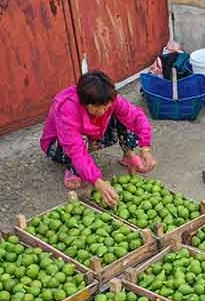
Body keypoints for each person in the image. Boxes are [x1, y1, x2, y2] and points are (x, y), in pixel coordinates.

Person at [41, 71, 156, 205]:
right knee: (79, 142)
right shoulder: (67, 108)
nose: (101, 112)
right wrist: (98, 182)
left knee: (124, 116)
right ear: (84, 103)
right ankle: (74, 169)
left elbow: (136, 117)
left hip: (93, 136)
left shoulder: (110, 99)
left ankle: (128, 155)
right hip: (59, 145)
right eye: (95, 108)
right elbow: (75, 150)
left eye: (105, 107)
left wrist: (145, 148)